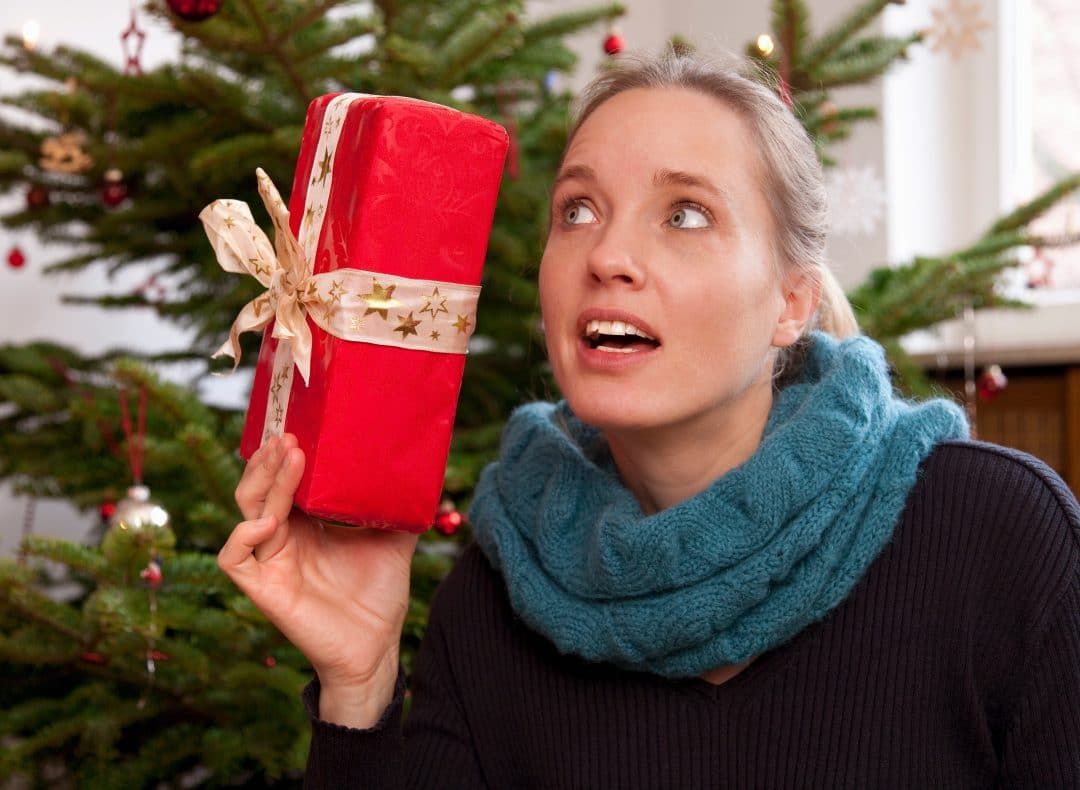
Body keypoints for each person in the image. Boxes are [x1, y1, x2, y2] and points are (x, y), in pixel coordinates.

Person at [219, 51, 1080, 788]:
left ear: (791, 304)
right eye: (579, 211)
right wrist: (359, 690)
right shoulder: (493, 597)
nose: (609, 257)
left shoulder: (999, 538)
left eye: (686, 214)